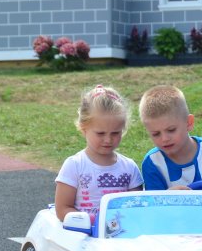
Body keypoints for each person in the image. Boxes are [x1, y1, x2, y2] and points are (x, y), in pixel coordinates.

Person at [55, 85, 143, 222]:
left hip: (120, 232)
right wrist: (93, 221)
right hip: (82, 232)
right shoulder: (74, 165)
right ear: (83, 128)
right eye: (100, 133)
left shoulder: (130, 167)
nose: (108, 140)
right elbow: (62, 209)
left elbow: (137, 209)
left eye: (115, 133)